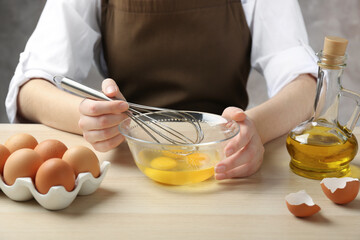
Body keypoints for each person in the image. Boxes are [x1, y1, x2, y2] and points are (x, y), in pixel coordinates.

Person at [6, 0, 318, 180]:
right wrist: (89, 117)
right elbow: (30, 88)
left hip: (222, 170)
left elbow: (306, 88)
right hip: (126, 174)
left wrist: (251, 132)